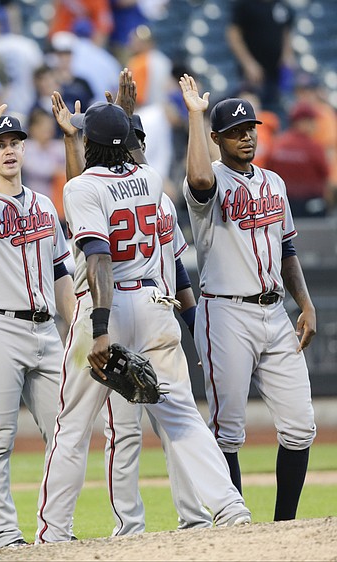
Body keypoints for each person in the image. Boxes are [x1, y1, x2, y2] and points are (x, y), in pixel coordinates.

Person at [35, 95, 252, 543]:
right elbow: (111, 179)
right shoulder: (152, 177)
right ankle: (230, 506)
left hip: (109, 308)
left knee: (72, 426)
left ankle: (53, 532)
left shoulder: (78, 187)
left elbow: (97, 254)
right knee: (181, 416)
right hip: (157, 305)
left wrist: (99, 328)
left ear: (91, 143)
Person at [179, 75, 317, 521]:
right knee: (227, 432)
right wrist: (196, 118)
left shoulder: (274, 182)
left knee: (300, 426)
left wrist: (306, 303)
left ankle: (283, 528)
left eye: (251, 129)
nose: (247, 137)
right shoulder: (208, 180)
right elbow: (198, 178)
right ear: (217, 139)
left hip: (275, 311)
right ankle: (235, 527)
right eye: (236, 132)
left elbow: (288, 248)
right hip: (224, 313)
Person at [0, 86, 76, 549]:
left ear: (25, 147)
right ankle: (5, 535)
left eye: (13, 142)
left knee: (65, 434)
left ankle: (56, 530)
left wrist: (77, 329)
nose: (7, 150)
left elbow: (62, 273)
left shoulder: (44, 203)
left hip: (45, 330)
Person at [226, 0, 294, 114]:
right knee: (251, 109)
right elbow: (233, 34)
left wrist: (287, 55)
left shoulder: (281, 5)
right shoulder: (245, 5)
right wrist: (248, 64)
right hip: (252, 73)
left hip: (276, 71)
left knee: (276, 109)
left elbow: (286, 31)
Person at [265, 103, 331, 217]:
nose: (315, 125)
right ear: (302, 122)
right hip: (311, 208)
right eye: (312, 121)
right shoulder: (314, 147)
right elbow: (326, 175)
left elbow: (268, 171)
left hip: (282, 206)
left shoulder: (277, 144)